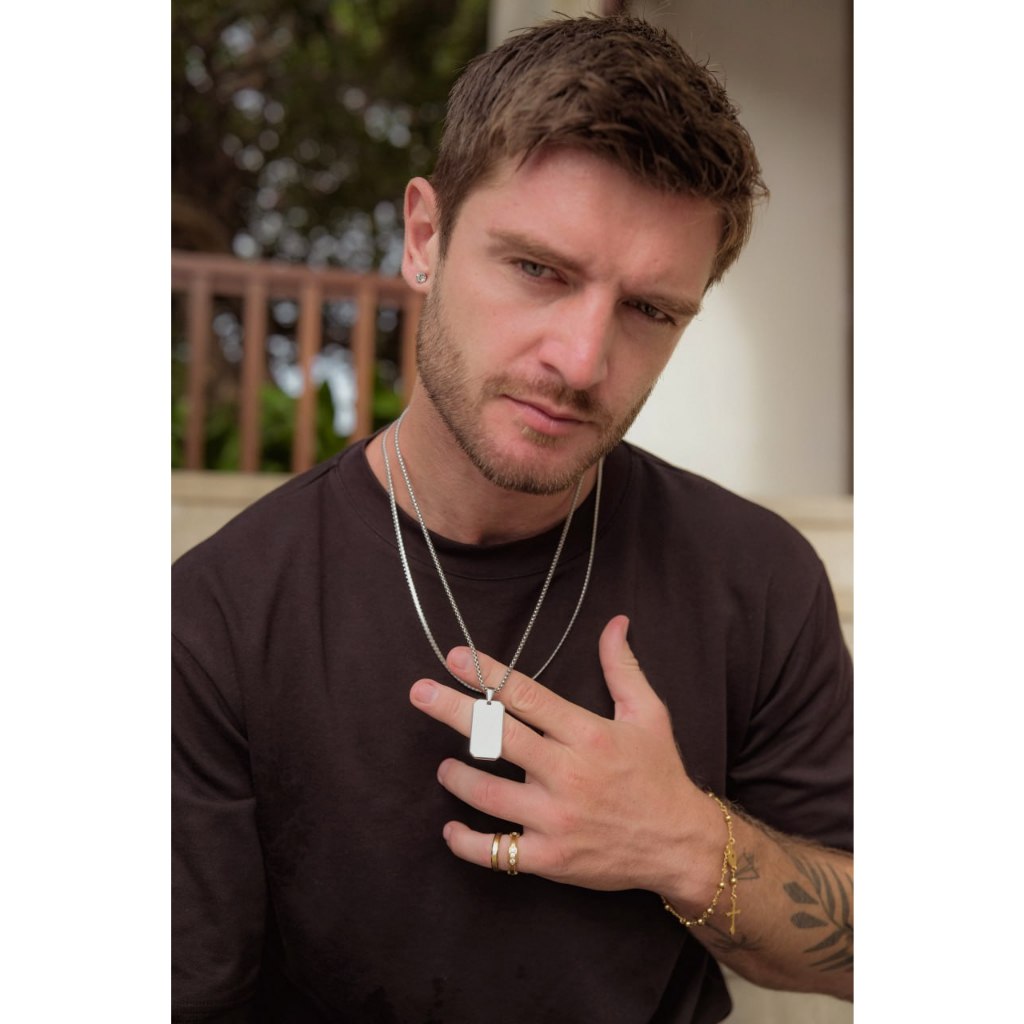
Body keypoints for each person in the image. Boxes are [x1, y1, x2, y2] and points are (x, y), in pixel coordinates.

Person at [172, 13, 853, 1023]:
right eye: (538, 269)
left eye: (649, 310)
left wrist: (682, 843)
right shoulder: (215, 617)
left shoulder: (757, 578)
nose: (581, 361)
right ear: (424, 237)